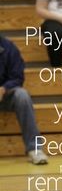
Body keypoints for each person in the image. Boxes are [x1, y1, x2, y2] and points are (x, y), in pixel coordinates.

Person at [0, 35, 48, 165]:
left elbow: (18, 77)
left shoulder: (9, 47)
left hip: (5, 96)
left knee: (22, 95)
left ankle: (35, 148)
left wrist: (4, 88)